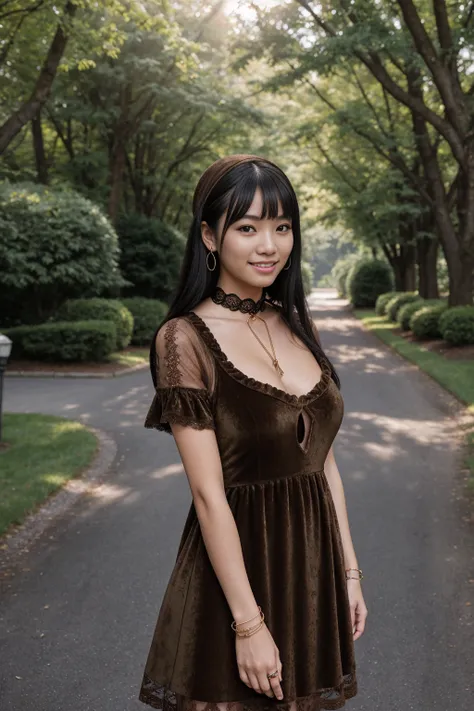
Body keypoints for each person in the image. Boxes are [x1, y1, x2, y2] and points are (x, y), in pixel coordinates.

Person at [138, 154, 367, 711]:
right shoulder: (183, 341)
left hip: (310, 575)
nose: (269, 245)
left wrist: (349, 570)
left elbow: (323, 461)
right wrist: (247, 625)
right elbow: (207, 496)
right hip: (237, 579)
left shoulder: (296, 322)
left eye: (282, 227)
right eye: (248, 227)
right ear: (210, 237)